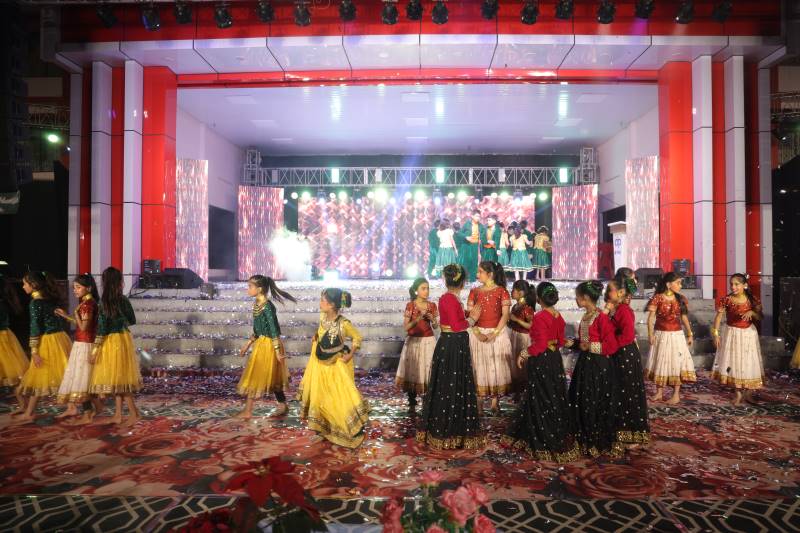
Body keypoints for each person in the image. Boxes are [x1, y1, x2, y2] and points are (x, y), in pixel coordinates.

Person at [503, 282, 579, 462]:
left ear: (539, 298)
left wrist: (524, 353)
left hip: (541, 361)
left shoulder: (540, 317)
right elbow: (559, 341)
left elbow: (540, 345)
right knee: (552, 394)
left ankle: (540, 431)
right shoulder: (558, 316)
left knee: (539, 396)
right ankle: (552, 426)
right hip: (554, 360)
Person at [416, 264, 484, 450]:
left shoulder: (451, 298)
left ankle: (455, 429)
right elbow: (456, 326)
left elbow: (456, 319)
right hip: (452, 346)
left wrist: (469, 314)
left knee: (455, 385)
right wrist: (473, 319)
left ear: (446, 280)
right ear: (462, 282)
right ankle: (448, 430)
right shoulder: (448, 299)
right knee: (450, 386)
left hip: (455, 344)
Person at [297, 288, 368, 447]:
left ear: (331, 305)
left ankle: (341, 427)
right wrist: (316, 336)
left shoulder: (344, 324)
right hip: (319, 364)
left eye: (323, 300)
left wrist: (350, 355)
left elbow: (357, 337)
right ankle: (321, 430)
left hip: (335, 366)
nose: (320, 303)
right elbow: (322, 331)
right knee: (319, 396)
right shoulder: (322, 317)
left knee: (335, 397)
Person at [569, 280, 621, 457]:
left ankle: (595, 439)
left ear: (585, 298)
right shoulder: (587, 316)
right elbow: (584, 342)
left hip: (598, 366)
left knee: (594, 401)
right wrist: (572, 343)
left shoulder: (601, 318)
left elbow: (611, 346)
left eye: (577, 297)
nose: (576, 300)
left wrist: (589, 347)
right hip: (586, 364)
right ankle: (583, 437)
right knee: (583, 399)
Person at [235, 275, 296, 419]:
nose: (248, 289)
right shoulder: (257, 304)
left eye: (250, 286)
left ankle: (248, 411)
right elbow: (257, 330)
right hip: (261, 344)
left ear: (260, 289)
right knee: (270, 376)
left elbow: (274, 330)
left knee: (256, 376)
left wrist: (277, 352)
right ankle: (282, 405)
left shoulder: (268, 306)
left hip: (270, 346)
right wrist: (247, 345)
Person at [13, 271, 71, 421]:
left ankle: (30, 412)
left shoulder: (35, 303)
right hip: (60, 338)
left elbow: (35, 328)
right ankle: (30, 411)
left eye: (25, 284)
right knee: (60, 373)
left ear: (33, 284)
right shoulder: (48, 299)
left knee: (42, 374)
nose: (23, 286)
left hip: (48, 342)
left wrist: (34, 351)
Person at [88, 267, 142, 426]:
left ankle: (134, 413)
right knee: (118, 379)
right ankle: (118, 414)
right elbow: (132, 320)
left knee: (119, 380)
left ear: (104, 282)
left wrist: (95, 350)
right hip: (123, 339)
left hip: (110, 342)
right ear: (119, 282)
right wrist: (120, 322)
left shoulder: (103, 302)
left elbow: (102, 328)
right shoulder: (123, 299)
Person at [605, 276, 649, 446]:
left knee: (628, 394)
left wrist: (610, 346)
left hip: (625, 355)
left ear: (621, 292)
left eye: (610, 290)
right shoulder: (616, 309)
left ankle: (632, 436)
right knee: (619, 394)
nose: (607, 293)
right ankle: (620, 433)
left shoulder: (624, 310)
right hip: (618, 353)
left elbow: (628, 336)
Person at [711, 273, 765, 406]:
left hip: (748, 334)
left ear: (744, 285)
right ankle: (738, 393)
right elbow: (718, 317)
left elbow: (760, 317)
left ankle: (748, 393)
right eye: (731, 284)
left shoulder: (752, 300)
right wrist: (716, 334)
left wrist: (752, 312)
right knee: (734, 362)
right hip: (732, 334)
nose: (733, 287)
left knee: (748, 361)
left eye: (736, 284)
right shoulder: (727, 299)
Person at [467, 261, 513, 415]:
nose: (477, 274)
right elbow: (469, 315)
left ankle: (495, 403)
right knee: (479, 366)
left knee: (496, 367)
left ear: (490, 274)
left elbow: (505, 315)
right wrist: (477, 333)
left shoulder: (501, 291)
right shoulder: (474, 292)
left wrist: (494, 333)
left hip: (496, 334)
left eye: (480, 272)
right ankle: (479, 404)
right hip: (478, 334)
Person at [644, 272, 696, 405]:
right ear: (668, 284)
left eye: (680, 283)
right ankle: (659, 392)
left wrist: (690, 334)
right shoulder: (658, 298)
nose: (680, 285)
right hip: (661, 335)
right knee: (660, 361)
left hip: (676, 336)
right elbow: (651, 318)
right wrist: (650, 334)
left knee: (676, 362)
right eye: (678, 283)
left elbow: (684, 318)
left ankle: (676, 394)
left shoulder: (681, 299)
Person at [55, 274, 100, 419]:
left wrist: (74, 314)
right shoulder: (86, 303)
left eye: (78, 287)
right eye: (74, 287)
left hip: (85, 345)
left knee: (82, 379)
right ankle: (90, 410)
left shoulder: (87, 304)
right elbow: (81, 324)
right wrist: (66, 316)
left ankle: (89, 412)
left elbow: (84, 327)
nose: (75, 290)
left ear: (89, 288)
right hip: (82, 343)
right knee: (81, 379)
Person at [395, 278, 438, 412]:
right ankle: (412, 401)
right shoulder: (410, 305)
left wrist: (432, 319)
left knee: (427, 371)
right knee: (413, 370)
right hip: (414, 341)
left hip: (428, 341)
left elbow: (436, 326)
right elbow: (406, 327)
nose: (426, 291)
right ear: (416, 291)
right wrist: (418, 318)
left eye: (428, 288)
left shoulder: (432, 306)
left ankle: (427, 400)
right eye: (423, 288)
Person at [0, 275, 28, 402]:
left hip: (3, 338)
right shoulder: (4, 302)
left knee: (11, 371)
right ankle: (22, 401)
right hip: (6, 336)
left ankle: (23, 401)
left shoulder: (2, 304)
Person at [507, 279, 536, 394]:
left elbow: (531, 325)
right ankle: (517, 388)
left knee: (522, 363)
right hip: (514, 335)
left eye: (513, 290)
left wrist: (516, 320)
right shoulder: (515, 306)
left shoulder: (527, 308)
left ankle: (524, 389)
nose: (511, 292)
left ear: (521, 293)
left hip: (523, 337)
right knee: (514, 361)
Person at [459, 210, 483, 282]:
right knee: (465, 262)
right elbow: (459, 233)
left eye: (479, 216)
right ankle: (463, 279)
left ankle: (472, 280)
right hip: (466, 246)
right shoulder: (467, 224)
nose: (478, 218)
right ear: (472, 216)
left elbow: (483, 235)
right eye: (476, 216)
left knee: (474, 262)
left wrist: (481, 239)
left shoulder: (480, 226)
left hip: (475, 246)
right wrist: (466, 237)